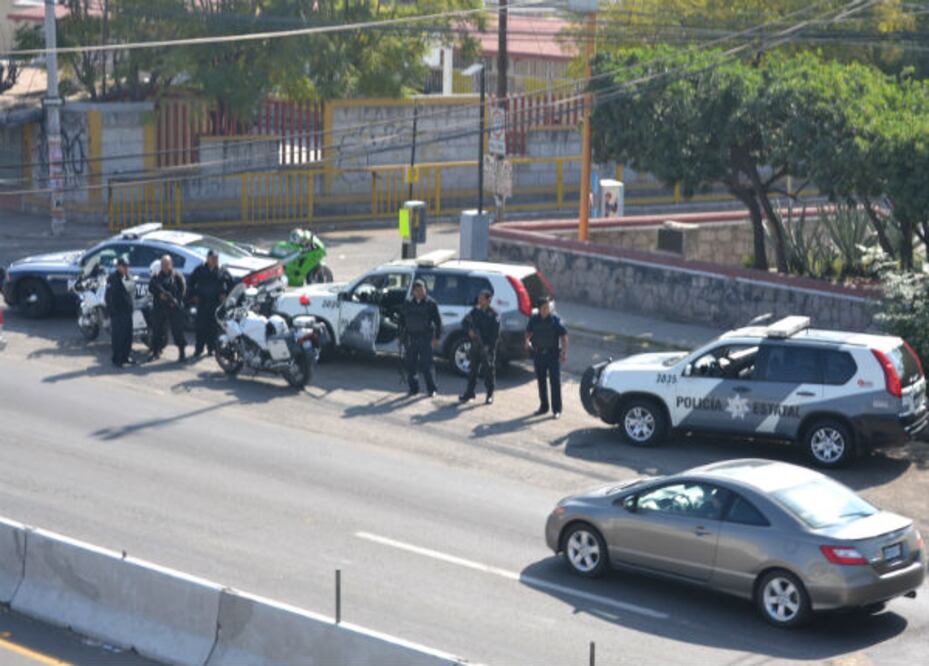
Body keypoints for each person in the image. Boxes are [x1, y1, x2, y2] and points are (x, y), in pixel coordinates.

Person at [526, 297, 568, 419]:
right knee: (541, 382)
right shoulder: (534, 320)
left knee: (555, 383)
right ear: (539, 309)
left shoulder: (555, 320)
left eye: (548, 307)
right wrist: (527, 341)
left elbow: (564, 336)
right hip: (538, 355)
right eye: (544, 308)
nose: (547, 310)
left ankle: (557, 410)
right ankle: (544, 407)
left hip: (553, 355)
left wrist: (564, 353)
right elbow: (528, 332)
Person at [399, 279, 442, 397]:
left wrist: (436, 338)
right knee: (411, 365)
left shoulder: (431, 303)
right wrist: (401, 335)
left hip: (425, 338)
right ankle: (413, 388)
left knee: (427, 365)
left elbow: (438, 322)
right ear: (413, 292)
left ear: (425, 290)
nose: (420, 292)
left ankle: (432, 389)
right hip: (411, 338)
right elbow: (402, 320)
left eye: (422, 289)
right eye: (417, 290)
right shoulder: (408, 303)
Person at [459, 289, 500, 405]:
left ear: (488, 300)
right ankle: (469, 392)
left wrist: (489, 347)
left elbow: (495, 335)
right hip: (475, 346)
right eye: (479, 298)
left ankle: (490, 394)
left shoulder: (494, 314)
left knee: (488, 372)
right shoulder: (475, 311)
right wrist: (469, 331)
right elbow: (464, 323)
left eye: (482, 299)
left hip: (487, 347)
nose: (479, 300)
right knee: (472, 371)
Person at [188, 250, 232, 357]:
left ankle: (211, 349)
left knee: (213, 328)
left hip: (215, 304)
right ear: (208, 258)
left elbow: (231, 284)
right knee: (200, 327)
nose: (214, 260)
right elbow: (190, 284)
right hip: (202, 303)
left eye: (216, 258)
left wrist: (225, 295)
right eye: (212, 258)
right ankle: (199, 349)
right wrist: (194, 296)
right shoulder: (200, 269)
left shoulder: (222, 271)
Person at [149, 255, 187, 361]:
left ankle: (182, 353)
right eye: (163, 264)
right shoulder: (156, 276)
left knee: (178, 330)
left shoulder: (177, 276)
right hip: (160, 307)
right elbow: (151, 287)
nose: (165, 266)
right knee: (157, 330)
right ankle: (155, 351)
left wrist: (176, 301)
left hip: (173, 307)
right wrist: (159, 295)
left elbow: (182, 290)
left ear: (171, 264)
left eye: (167, 264)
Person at [105, 257, 135, 368]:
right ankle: (117, 359)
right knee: (118, 337)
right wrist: (112, 311)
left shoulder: (128, 277)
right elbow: (108, 296)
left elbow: (131, 291)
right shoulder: (112, 278)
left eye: (127, 266)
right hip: (117, 312)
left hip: (127, 311)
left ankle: (126, 357)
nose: (126, 268)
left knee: (128, 336)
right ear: (118, 266)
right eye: (124, 266)